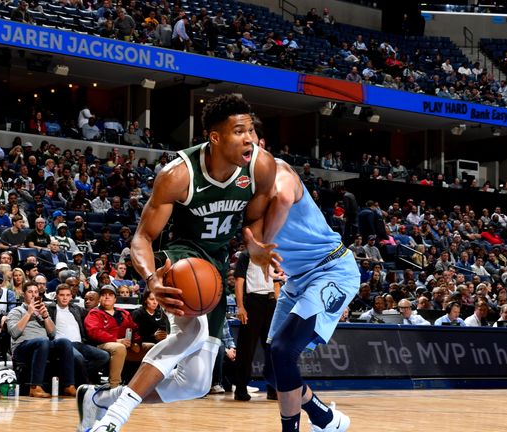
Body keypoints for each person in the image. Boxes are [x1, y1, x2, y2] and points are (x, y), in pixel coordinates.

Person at [80, 94, 276, 431]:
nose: (250, 138)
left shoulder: (261, 166)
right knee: (192, 332)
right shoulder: (178, 174)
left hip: (214, 268)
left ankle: (101, 399)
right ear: (215, 137)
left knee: (195, 383)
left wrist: (254, 248)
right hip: (180, 259)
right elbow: (142, 238)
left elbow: (252, 223)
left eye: (251, 131)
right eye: (240, 131)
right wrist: (150, 279)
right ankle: (114, 419)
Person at [240, 157, 358, 432]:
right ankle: (325, 418)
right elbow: (249, 234)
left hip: (331, 269)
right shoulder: (242, 190)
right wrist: (254, 245)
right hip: (297, 280)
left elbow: (282, 198)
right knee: (272, 371)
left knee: (283, 351)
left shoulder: (280, 170)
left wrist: (262, 246)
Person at [7, 281, 77, 398]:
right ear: (24, 294)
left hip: (43, 346)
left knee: (64, 342)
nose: (34, 295)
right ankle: (35, 387)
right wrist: (29, 313)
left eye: (36, 292)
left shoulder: (42, 311)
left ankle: (68, 385)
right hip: (22, 348)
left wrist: (45, 316)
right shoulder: (16, 311)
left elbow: (52, 333)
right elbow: (14, 333)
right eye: (30, 292)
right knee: (43, 342)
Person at [84, 285, 153, 388]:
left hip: (125, 344)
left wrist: (136, 342)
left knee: (151, 347)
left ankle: (147, 383)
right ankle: (114, 385)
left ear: (115, 299)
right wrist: (116, 340)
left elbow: (134, 329)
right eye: (104, 295)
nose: (107, 297)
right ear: (100, 299)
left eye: (110, 295)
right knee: (119, 348)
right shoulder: (94, 313)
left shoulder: (124, 313)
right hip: (102, 345)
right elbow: (94, 332)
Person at [233, 251, 278, 401]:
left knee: (273, 349)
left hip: (271, 303)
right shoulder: (246, 256)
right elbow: (239, 282)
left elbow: (277, 283)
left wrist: (278, 308)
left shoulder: (273, 256)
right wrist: (240, 306)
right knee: (246, 349)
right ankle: (240, 389)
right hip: (252, 303)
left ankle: (273, 389)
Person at [49, 281, 110, 385]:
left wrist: (103, 305)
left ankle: (79, 378)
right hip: (63, 345)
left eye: (67, 295)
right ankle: (85, 384)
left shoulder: (75, 308)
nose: (65, 298)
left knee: (104, 356)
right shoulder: (50, 309)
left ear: (71, 296)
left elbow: (92, 314)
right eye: (62, 295)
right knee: (79, 358)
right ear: (56, 296)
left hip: (80, 343)